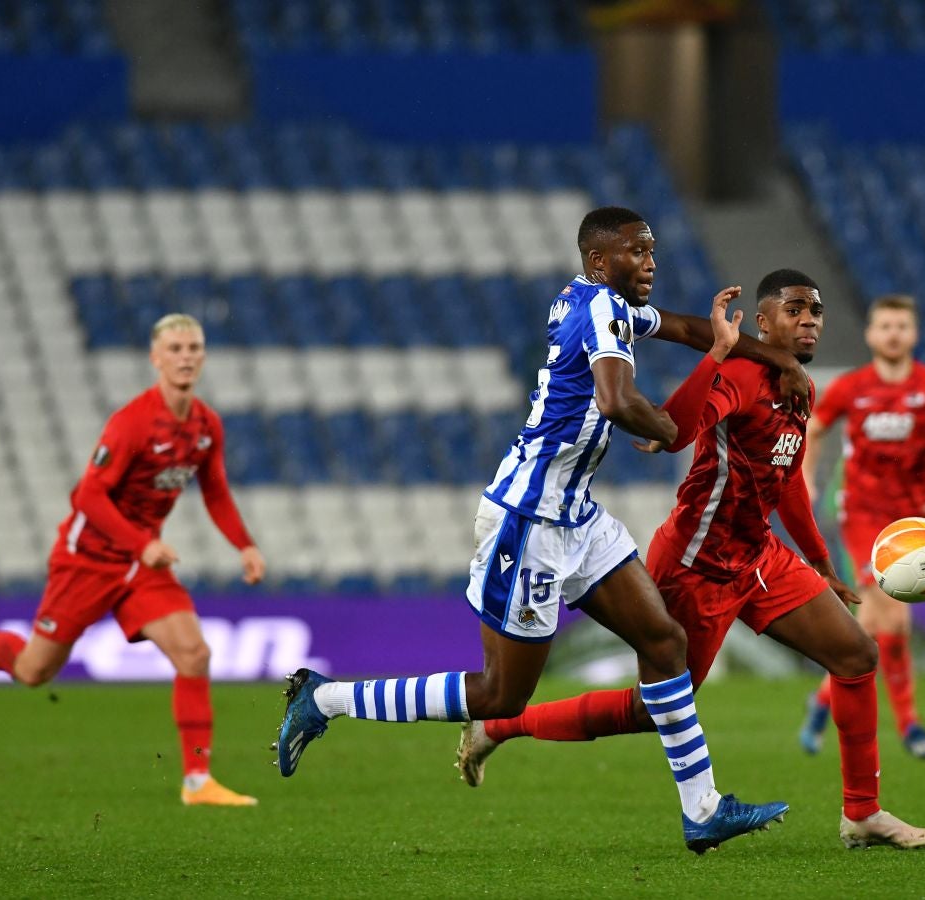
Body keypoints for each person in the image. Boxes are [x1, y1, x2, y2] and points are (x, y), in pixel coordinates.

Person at [274, 207, 810, 855]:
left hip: (574, 513)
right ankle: (326, 699)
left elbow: (691, 328)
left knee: (664, 643)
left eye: (652, 251)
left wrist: (780, 362)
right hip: (527, 520)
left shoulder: (602, 304)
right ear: (597, 261)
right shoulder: (598, 312)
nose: (651, 262)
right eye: (637, 252)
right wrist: (671, 429)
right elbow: (616, 401)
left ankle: (702, 809)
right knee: (501, 693)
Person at [457, 270, 925, 850]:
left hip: (758, 556)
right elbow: (680, 430)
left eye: (816, 311)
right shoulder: (740, 373)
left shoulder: (798, 387)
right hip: (695, 563)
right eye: (795, 310)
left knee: (856, 655)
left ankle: (862, 814)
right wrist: (711, 360)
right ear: (762, 323)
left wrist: (820, 564)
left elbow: (786, 483)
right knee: (648, 709)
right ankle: (501, 724)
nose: (809, 319)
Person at [0, 313, 266, 807]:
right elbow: (88, 497)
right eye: (175, 349)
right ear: (156, 358)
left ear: (204, 356)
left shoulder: (206, 425)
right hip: (87, 560)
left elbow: (214, 489)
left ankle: (197, 781)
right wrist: (140, 543)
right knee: (33, 671)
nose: (186, 357)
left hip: (141, 566)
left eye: (194, 348)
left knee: (194, 654)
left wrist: (245, 544)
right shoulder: (132, 423)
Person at [797, 295, 925, 760]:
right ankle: (911, 726)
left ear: (914, 334)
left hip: (913, 521)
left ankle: (822, 700)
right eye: (885, 325)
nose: (893, 333)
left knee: (872, 627)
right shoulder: (853, 386)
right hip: (864, 518)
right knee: (894, 615)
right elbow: (812, 429)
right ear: (871, 335)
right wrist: (806, 480)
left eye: (902, 326)